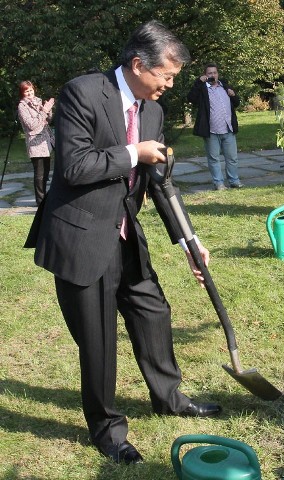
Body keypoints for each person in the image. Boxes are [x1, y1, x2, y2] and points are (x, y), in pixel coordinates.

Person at [24, 20, 221, 465]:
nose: (170, 85)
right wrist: (135, 153)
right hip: (81, 236)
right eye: (165, 76)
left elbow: (159, 182)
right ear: (137, 65)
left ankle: (168, 396)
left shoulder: (153, 111)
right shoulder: (82, 92)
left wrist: (189, 240)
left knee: (153, 311)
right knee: (98, 340)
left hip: (125, 233)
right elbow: (73, 167)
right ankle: (108, 429)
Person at [187, 63, 242, 190]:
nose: (213, 75)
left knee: (232, 158)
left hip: (228, 128)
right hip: (211, 130)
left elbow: (236, 103)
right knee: (214, 159)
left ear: (218, 74)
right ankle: (219, 183)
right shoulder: (202, 88)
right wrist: (198, 82)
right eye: (209, 73)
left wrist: (233, 95)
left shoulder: (224, 86)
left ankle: (234, 181)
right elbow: (191, 98)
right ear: (205, 75)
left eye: (215, 73)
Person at [16, 81, 55, 205]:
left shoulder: (38, 101)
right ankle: (40, 201)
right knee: (39, 175)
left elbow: (48, 120)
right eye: (26, 91)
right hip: (35, 143)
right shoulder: (22, 106)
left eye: (31, 90)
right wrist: (44, 112)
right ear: (22, 93)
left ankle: (45, 199)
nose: (29, 93)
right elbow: (32, 125)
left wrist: (48, 111)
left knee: (46, 173)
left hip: (46, 141)